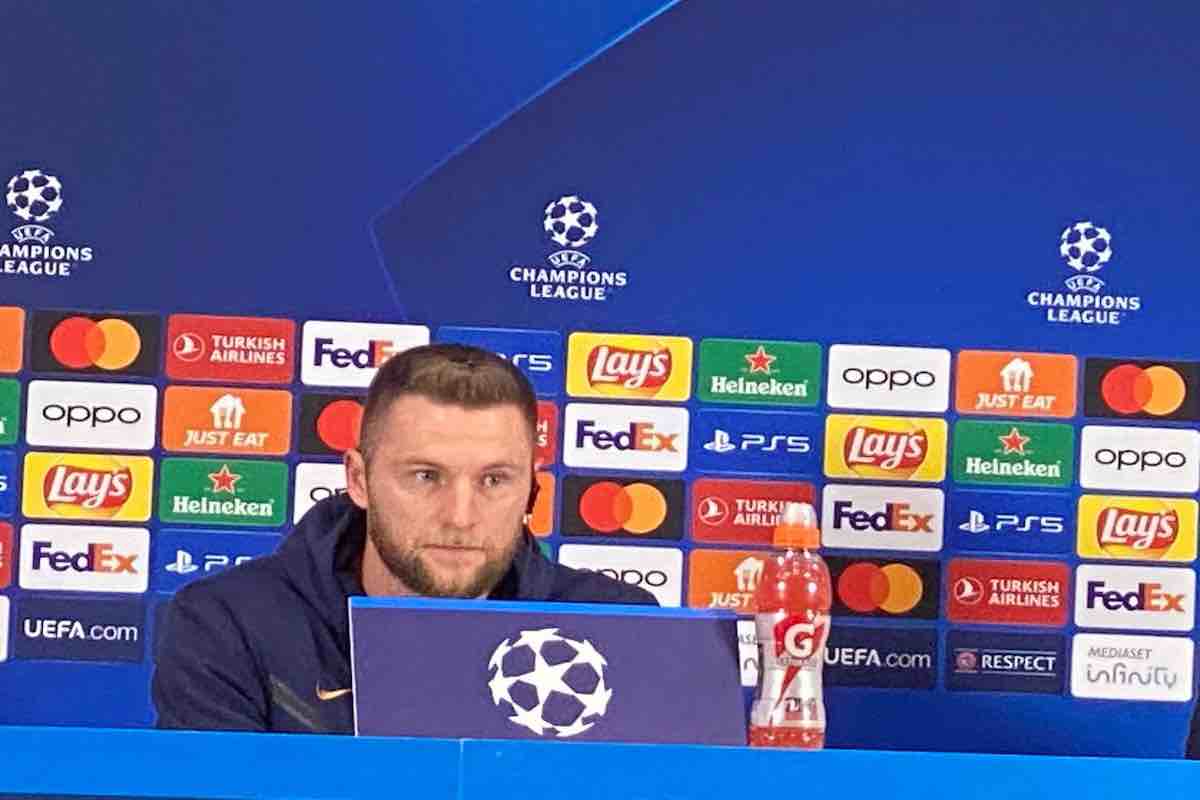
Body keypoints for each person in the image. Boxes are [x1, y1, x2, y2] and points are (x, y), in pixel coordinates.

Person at [152, 343, 656, 733]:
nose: (460, 517)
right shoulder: (230, 623)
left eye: (494, 480)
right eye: (425, 476)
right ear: (358, 480)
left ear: (531, 487)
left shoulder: (619, 626)